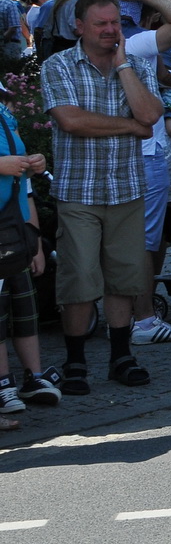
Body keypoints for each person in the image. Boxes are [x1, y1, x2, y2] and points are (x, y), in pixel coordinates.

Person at [42, 0, 165, 394]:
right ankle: (75, 361)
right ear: (79, 26)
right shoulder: (57, 65)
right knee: (78, 279)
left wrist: (125, 65)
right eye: (102, 24)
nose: (112, 30)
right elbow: (71, 120)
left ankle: (120, 356)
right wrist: (128, 126)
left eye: (115, 23)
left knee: (124, 278)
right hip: (79, 190)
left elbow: (149, 115)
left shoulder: (137, 66)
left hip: (125, 188)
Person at [116, 0, 171, 346]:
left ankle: (128, 315)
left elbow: (164, 75)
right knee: (145, 243)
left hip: (134, 155)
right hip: (145, 156)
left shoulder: (129, 50)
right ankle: (144, 320)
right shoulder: (133, 45)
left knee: (147, 237)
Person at [0, 96, 58, 419]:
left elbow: (26, 190)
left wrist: (35, 162)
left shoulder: (5, 115)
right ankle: (3, 384)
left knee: (24, 309)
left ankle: (33, 378)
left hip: (15, 231)